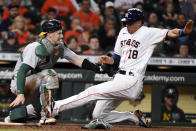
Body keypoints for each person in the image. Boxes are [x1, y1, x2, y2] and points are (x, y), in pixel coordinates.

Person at [48, 8, 194, 129]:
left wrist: (183, 32)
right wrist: (108, 59)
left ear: (139, 22)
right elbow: (116, 59)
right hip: (119, 77)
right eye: (125, 22)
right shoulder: (123, 32)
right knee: (98, 115)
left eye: (129, 22)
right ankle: (133, 117)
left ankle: (56, 107)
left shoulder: (149, 33)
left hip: (132, 80)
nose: (127, 25)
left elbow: (171, 32)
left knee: (92, 91)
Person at [4, 19, 105, 124]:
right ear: (49, 34)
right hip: (20, 83)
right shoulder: (35, 47)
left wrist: (98, 68)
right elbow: (22, 71)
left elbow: (77, 59)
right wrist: (20, 94)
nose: (62, 36)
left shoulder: (59, 45)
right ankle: (46, 116)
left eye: (61, 33)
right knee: (50, 75)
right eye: (59, 33)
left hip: (37, 81)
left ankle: (12, 117)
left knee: (53, 110)